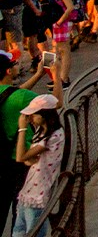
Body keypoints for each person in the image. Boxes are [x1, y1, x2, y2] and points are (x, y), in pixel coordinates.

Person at [0, 53, 55, 221]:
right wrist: (56, 74)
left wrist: (38, 75)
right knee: (22, 209)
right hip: (23, 157)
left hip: (3, 159)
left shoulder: (12, 95)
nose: (17, 65)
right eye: (15, 63)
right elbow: (56, 102)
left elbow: (14, 93)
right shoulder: (20, 98)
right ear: (9, 71)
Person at [12, 92, 64, 236]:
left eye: (33, 115)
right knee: (18, 232)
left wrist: (22, 129)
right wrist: (27, 158)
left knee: (32, 232)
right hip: (28, 193)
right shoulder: (43, 132)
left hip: (37, 197)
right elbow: (27, 159)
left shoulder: (51, 137)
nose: (30, 119)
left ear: (45, 115)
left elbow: (20, 157)